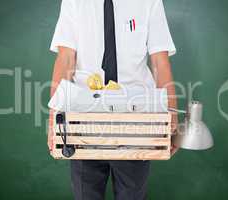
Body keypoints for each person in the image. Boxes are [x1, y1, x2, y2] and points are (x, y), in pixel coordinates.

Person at [48, 0, 178, 199]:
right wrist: (53, 120)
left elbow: (160, 61)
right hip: (83, 119)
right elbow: (65, 58)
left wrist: (172, 118)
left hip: (136, 121)